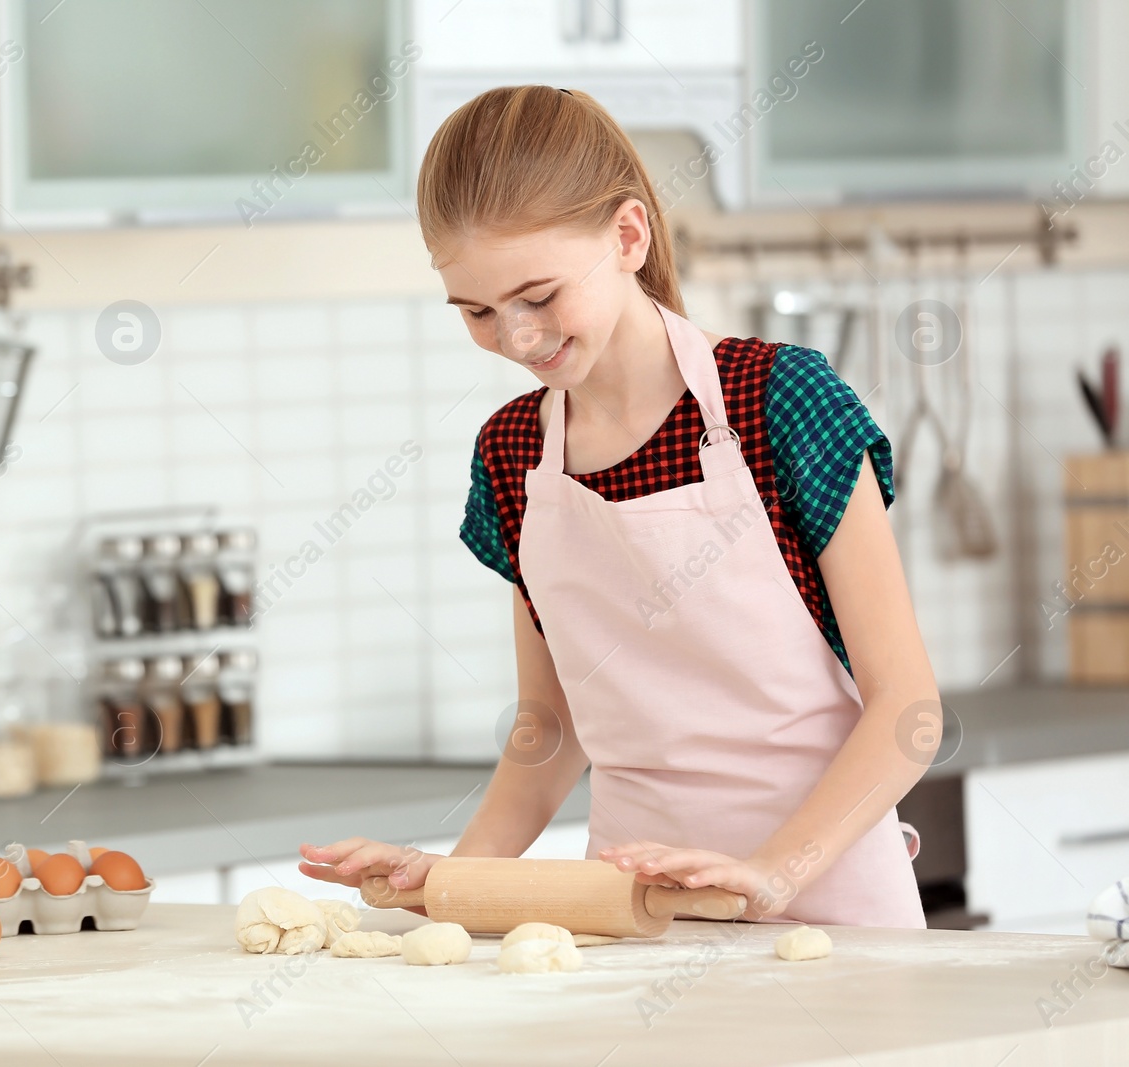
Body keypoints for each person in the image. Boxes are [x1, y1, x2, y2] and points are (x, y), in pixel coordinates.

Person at [300, 86, 935, 926]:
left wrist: (774, 872)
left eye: (538, 295)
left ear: (628, 236)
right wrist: (452, 879)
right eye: (479, 312)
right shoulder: (514, 454)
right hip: (631, 920)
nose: (517, 338)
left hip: (830, 906)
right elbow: (550, 729)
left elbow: (908, 709)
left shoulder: (778, 401)